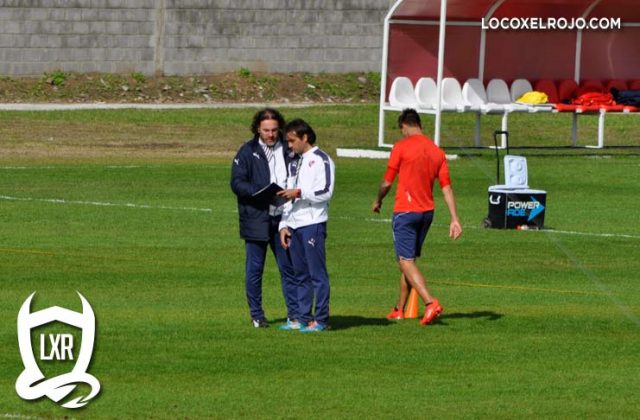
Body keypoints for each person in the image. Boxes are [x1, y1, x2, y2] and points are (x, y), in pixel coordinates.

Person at [372, 108, 462, 325]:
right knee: (408, 262)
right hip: (426, 214)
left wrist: (378, 200)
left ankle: (430, 303)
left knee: (405, 261)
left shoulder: (401, 147)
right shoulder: (437, 152)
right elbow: (447, 188)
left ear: (404, 126)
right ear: (420, 125)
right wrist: (454, 219)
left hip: (405, 212)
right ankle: (399, 309)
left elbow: (387, 182)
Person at [230, 108, 298, 328]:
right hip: (256, 218)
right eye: (266, 130)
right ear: (257, 129)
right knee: (255, 270)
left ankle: (294, 314)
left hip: (284, 219)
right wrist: (260, 192)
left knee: (289, 268)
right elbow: (236, 183)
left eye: (274, 130)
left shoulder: (289, 149)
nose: (270, 134)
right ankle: (257, 315)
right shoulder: (247, 152)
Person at [278, 119, 335, 332]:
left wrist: (300, 193)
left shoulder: (322, 159)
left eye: (292, 141)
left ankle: (321, 320)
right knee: (300, 274)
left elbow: (326, 191)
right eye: (287, 141)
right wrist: (284, 224)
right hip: (294, 225)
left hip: (313, 223)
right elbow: (287, 193)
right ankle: (303, 319)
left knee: (316, 274)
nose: (289, 145)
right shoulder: (295, 162)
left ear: (305, 137)